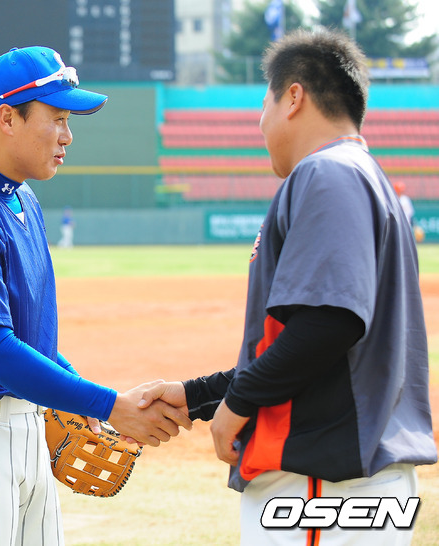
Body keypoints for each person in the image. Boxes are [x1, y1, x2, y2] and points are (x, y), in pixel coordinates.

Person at [138, 29, 437, 545]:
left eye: (265, 105)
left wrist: (235, 407)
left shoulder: (329, 172)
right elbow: (306, 346)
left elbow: (330, 322)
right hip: (342, 481)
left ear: (293, 97)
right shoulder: (359, 175)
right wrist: (196, 397)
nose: (261, 123)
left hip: (321, 487)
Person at [0, 46, 191, 546]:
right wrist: (109, 405)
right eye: (56, 118)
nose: (67, 136)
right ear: (8, 118)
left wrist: (79, 394)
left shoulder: (22, 198)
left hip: (25, 428)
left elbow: (30, 339)